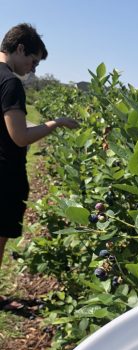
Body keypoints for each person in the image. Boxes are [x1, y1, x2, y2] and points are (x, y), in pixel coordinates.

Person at [0, 23, 79, 312]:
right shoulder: (10, 83)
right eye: (33, 61)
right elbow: (19, 137)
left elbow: (9, 126)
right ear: (20, 48)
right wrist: (55, 124)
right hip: (5, 173)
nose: (32, 70)